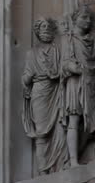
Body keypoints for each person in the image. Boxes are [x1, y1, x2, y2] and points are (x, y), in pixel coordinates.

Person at [21, 18, 68, 174]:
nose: (46, 29)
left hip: (56, 90)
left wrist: (56, 74)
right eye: (43, 27)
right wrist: (28, 77)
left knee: (61, 126)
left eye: (49, 27)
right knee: (41, 132)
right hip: (40, 92)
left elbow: (64, 68)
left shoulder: (57, 50)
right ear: (38, 31)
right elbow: (26, 76)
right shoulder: (31, 53)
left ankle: (60, 164)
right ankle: (43, 170)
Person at [62, 5, 95, 166]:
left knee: (90, 121)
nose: (87, 21)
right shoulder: (70, 40)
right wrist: (73, 68)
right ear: (75, 19)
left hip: (90, 82)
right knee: (74, 119)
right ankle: (73, 161)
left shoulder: (92, 41)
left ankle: (77, 155)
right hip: (75, 83)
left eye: (89, 18)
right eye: (83, 17)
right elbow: (65, 63)